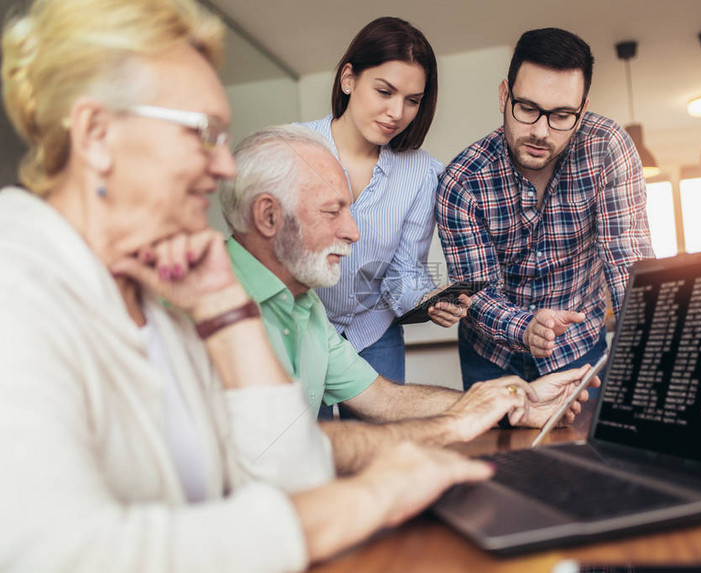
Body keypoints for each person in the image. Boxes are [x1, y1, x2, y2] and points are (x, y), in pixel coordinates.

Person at [0, 1, 493, 570]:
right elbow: (59, 554)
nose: (226, 167)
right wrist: (370, 496)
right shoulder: (17, 286)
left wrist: (227, 314)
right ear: (96, 132)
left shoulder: (165, 303)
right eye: (201, 133)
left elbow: (288, 470)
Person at [218, 123, 600, 443]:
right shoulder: (199, 310)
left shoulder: (307, 306)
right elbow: (276, 452)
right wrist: (455, 423)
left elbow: (384, 399)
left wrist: (521, 400)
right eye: (332, 211)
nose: (353, 232)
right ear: (268, 216)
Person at [436, 28, 654, 391]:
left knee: (585, 449)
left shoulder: (607, 148)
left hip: (580, 347)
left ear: (582, 111)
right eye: (528, 108)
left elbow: (626, 258)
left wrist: (649, 343)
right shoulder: (461, 182)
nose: (541, 132)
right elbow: (476, 291)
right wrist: (527, 327)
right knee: (500, 450)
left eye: (562, 115)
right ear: (505, 95)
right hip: (491, 358)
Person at [300, 17, 465, 396]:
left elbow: (403, 270)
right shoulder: (294, 147)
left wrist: (425, 300)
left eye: (412, 100)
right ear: (348, 79)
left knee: (386, 447)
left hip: (373, 333)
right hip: (301, 327)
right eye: (384, 91)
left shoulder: (423, 173)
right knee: (311, 447)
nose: (397, 113)